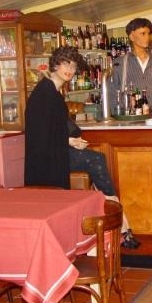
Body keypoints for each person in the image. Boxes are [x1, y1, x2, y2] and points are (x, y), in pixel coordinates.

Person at [24, 46, 139, 248]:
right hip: (45, 161)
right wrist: (69, 141)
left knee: (96, 160)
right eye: (66, 63)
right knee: (96, 160)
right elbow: (41, 134)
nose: (70, 69)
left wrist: (72, 139)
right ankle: (119, 222)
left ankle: (118, 223)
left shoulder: (52, 91)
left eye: (74, 65)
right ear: (56, 64)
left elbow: (58, 126)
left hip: (53, 153)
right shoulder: (46, 93)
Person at [110, 18, 152, 116]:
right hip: (130, 117)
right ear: (132, 36)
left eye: (148, 34)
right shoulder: (119, 63)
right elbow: (112, 94)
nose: (147, 37)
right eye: (143, 33)